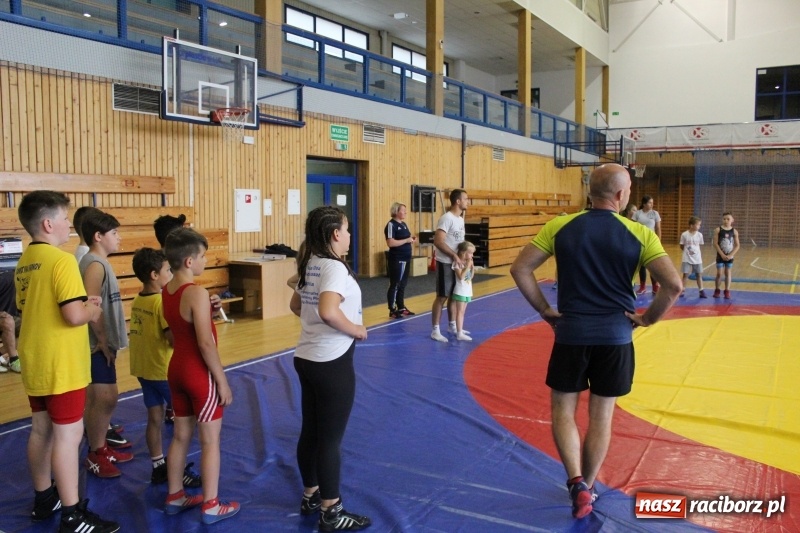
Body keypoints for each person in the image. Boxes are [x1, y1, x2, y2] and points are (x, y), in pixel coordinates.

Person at [510, 164, 681, 520]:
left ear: (591, 192)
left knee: (563, 409)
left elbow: (520, 269)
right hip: (616, 338)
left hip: (571, 334)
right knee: (601, 416)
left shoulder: (560, 226)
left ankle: (576, 482)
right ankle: (586, 485)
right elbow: (674, 286)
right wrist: (647, 319)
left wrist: (544, 309)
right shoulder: (639, 233)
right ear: (620, 195)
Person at [15, 190, 118, 532]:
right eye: (63, 219)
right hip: (61, 361)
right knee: (69, 435)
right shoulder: (61, 261)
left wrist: (79, 304)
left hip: (35, 357)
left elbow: (30, 306)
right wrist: (91, 307)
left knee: (41, 429)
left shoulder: (25, 260)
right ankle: (73, 514)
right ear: (47, 223)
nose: (68, 227)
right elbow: (74, 315)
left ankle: (45, 498)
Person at [289, 206, 371, 532]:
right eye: (347, 230)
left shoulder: (311, 263)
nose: (350, 236)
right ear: (336, 233)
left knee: (311, 430)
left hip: (307, 357)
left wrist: (315, 324)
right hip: (331, 362)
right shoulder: (334, 267)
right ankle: (331, 511)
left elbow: (297, 305)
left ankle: (311, 494)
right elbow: (327, 310)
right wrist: (356, 329)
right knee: (330, 440)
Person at [162, 228, 239, 524]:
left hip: (177, 369)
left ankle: (175, 495)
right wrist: (221, 380)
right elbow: (205, 342)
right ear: (189, 261)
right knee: (210, 442)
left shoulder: (167, 290)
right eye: (203, 256)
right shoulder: (195, 292)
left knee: (181, 436)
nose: (206, 261)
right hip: (198, 373)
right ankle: (211, 504)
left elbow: (177, 329)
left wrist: (209, 306)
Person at [129, 247, 202, 488]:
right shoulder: (161, 302)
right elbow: (172, 338)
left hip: (144, 369)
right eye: (167, 271)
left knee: (154, 418)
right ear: (154, 275)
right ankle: (177, 470)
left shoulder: (139, 300)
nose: (171, 274)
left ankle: (158, 464)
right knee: (184, 422)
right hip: (162, 370)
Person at [79, 211, 134, 478]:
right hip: (95, 345)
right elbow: (90, 303)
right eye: (114, 233)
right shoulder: (95, 264)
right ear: (98, 236)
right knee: (106, 398)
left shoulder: (100, 262)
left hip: (99, 342)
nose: (119, 238)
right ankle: (95, 453)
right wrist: (102, 339)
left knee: (101, 398)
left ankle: (99, 448)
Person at [153, 213, 188, 423]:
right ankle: (173, 406)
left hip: (176, 319)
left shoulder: (174, 263)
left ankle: (171, 406)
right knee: (169, 364)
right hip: (169, 322)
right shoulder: (164, 267)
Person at [430, 188, 470, 342]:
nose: (468, 201)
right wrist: (453, 255)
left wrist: (466, 257)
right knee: (442, 296)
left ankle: (452, 325)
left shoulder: (460, 219)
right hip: (446, 262)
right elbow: (438, 241)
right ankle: (435, 329)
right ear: (458, 201)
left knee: (454, 295)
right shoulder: (447, 218)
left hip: (458, 263)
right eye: (465, 199)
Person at [384, 202, 416, 319]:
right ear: (396, 211)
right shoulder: (391, 225)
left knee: (403, 284)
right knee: (395, 284)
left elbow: (406, 239)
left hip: (406, 257)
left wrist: (410, 240)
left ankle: (401, 306)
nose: (405, 212)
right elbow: (390, 242)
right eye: (403, 210)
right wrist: (406, 240)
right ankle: (392, 309)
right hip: (398, 259)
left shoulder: (404, 224)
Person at [632, 195, 661, 295]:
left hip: (651, 242)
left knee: (652, 265)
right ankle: (643, 286)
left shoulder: (655, 213)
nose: (652, 204)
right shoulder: (637, 214)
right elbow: (632, 227)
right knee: (642, 265)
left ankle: (655, 286)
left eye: (652, 203)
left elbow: (658, 228)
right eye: (650, 203)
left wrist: (658, 241)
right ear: (644, 204)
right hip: (639, 241)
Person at [451, 241, 475, 341]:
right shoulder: (457, 263)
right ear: (463, 252)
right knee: (459, 312)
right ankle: (459, 333)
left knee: (463, 312)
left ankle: (459, 329)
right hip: (460, 290)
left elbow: (471, 277)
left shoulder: (467, 262)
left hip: (467, 290)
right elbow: (461, 277)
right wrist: (468, 266)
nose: (472, 255)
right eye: (470, 253)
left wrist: (472, 267)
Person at [713, 212, 740, 299]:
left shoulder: (734, 231)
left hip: (729, 256)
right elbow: (715, 243)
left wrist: (731, 255)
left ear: (732, 220)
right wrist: (722, 254)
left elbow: (737, 245)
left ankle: (727, 290)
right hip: (720, 255)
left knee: (728, 273)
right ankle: (717, 290)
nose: (726, 221)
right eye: (724, 219)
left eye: (728, 219)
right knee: (719, 274)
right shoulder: (718, 230)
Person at [679, 217, 706, 298]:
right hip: (686, 258)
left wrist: (695, 253)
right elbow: (681, 245)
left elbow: (700, 245)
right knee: (685, 274)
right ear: (691, 225)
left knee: (698, 275)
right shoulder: (684, 234)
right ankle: (682, 290)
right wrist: (687, 252)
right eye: (698, 225)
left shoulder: (699, 235)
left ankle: (701, 290)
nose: (699, 226)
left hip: (697, 258)